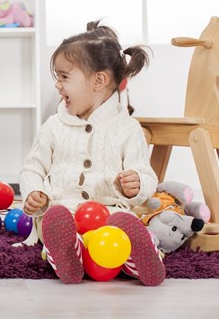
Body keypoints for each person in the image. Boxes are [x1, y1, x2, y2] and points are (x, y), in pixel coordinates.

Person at [19, 21, 165, 286]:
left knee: (121, 230)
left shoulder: (128, 129)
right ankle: (67, 254)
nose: (57, 85)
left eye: (64, 77)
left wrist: (137, 184)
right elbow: (33, 168)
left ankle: (139, 259)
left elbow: (146, 175)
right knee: (54, 225)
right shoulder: (54, 125)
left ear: (98, 81)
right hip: (62, 211)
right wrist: (33, 193)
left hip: (110, 213)